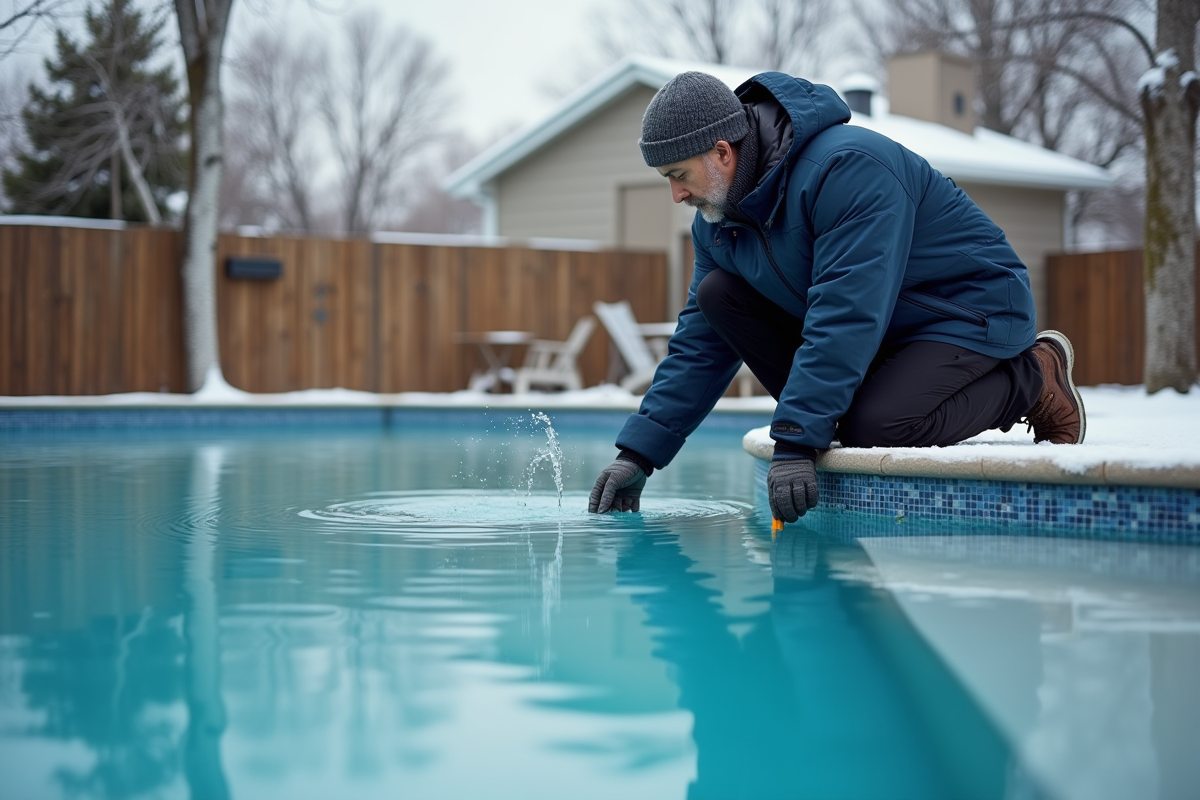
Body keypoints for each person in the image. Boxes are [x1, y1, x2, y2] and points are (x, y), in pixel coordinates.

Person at [588, 70, 1085, 522]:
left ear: (722, 152)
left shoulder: (846, 168)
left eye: (678, 175)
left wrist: (795, 441)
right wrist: (639, 453)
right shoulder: (718, 225)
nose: (676, 195)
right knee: (718, 294)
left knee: (876, 427)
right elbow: (699, 342)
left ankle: (1033, 376)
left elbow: (845, 311)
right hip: (885, 329)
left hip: (966, 309)